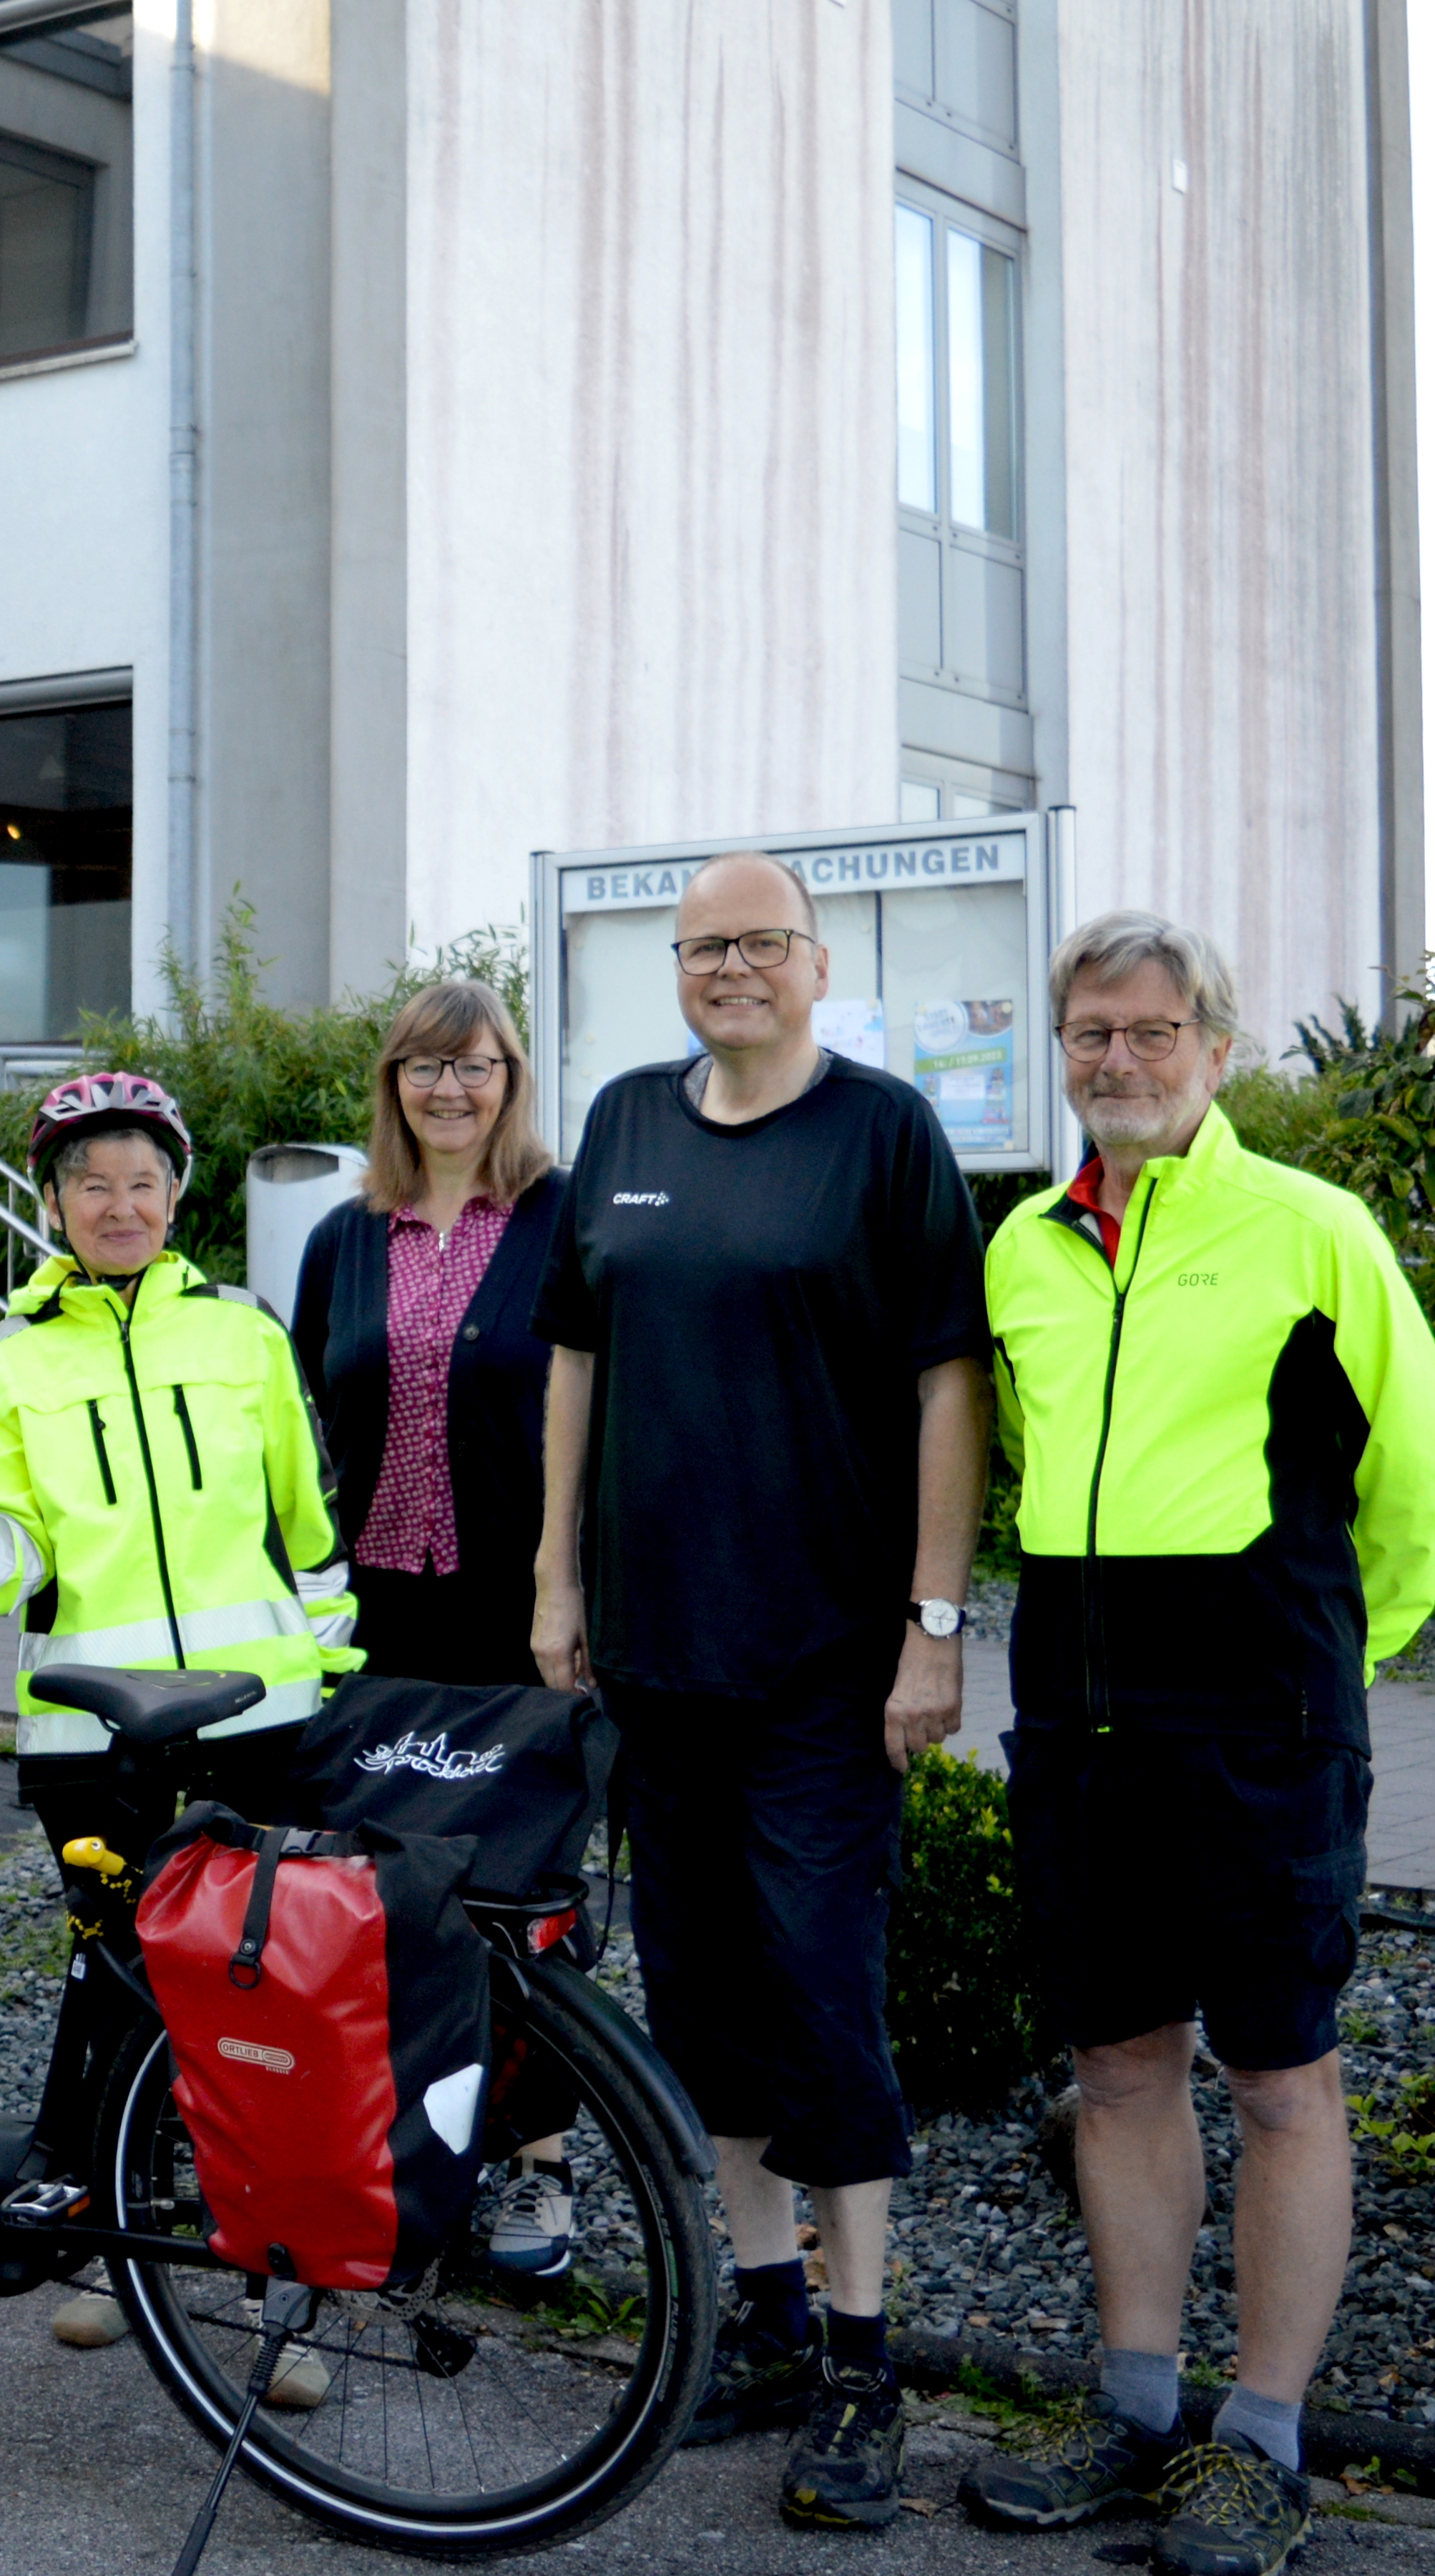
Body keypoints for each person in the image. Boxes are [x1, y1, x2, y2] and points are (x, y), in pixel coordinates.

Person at [957, 914, 1435, 2576]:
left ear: (1216, 1049)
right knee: (1117, 2064)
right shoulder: (1022, 1248)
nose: (1118, 1058)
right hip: (1079, 1722)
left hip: (1265, 1724)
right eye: (1090, 1032)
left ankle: (1261, 2442)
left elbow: (1421, 1477)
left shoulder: (1311, 1231)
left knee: (1281, 2075)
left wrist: (1331, 1660)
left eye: (1152, 1030)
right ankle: (1135, 2406)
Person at [527, 852, 990, 2530]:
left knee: (820, 1993)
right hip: (661, 1658)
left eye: (760, 943)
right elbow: (577, 1355)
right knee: (705, 1999)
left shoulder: (884, 1134)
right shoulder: (624, 1126)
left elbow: (951, 1382)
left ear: (815, 961)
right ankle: (770, 2313)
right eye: (702, 945)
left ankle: (864, 2360)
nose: (730, 967)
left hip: (825, 1666)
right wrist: (556, 1574)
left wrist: (934, 1621)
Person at [0, 1070, 354, 2394]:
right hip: (91, 1738)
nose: (118, 1204)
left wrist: (326, 1676)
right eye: (91, 1183)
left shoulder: (243, 1333)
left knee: (268, 2007)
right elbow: (6, 1566)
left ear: (175, 1196)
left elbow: (311, 1526)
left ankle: (281, 2293)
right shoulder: (14, 1359)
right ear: (52, 1202)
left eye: (142, 1181)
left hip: (258, 1723)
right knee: (120, 2000)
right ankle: (113, 2254)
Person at [291, 975, 574, 2277]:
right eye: (423, 1065)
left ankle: (539, 2166)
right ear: (391, 1084)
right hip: (380, 1621)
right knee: (389, 1899)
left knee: (524, 1897)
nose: (448, 1088)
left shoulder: (563, 1218)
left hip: (522, 1616)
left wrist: (578, 1592)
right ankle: (410, 2162)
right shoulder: (343, 1238)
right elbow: (315, 1418)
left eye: (474, 1065)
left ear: (511, 1079)